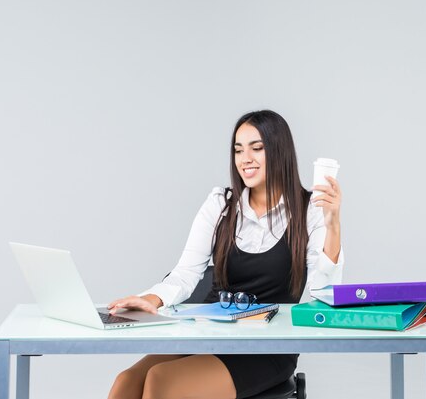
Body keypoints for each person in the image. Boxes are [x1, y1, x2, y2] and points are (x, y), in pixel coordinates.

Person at [107, 109, 344, 399]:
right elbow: (186, 272)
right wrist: (149, 299)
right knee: (126, 382)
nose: (246, 158)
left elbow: (324, 291)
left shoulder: (309, 210)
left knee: (162, 382)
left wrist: (333, 224)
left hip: (267, 346)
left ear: (279, 152)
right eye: (238, 150)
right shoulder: (221, 203)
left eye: (257, 148)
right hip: (210, 332)